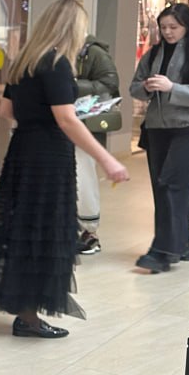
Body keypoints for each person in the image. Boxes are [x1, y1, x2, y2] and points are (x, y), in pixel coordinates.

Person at [0, 0, 130, 335]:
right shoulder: (58, 64)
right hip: (49, 158)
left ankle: (25, 309)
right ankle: (28, 317)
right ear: (72, 28)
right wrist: (107, 160)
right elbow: (67, 120)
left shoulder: (24, 62)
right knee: (44, 230)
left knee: (24, 228)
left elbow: (6, 110)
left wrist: (37, 116)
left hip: (23, 152)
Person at [130, 3, 189, 272]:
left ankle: (163, 251)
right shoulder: (153, 54)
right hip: (157, 128)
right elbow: (134, 87)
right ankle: (181, 245)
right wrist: (147, 88)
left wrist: (173, 88)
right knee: (163, 187)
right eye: (163, 27)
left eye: (174, 27)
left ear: (188, 26)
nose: (168, 32)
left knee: (173, 184)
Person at [73, 33, 120, 255]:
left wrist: (73, 86)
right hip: (62, 122)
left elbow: (110, 83)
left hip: (86, 122)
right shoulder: (56, 51)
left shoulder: (94, 52)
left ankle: (89, 232)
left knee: (84, 176)